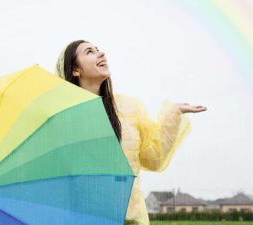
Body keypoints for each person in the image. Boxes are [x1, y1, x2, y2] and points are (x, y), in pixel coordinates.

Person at [55, 40, 206, 225]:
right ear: (75, 70)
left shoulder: (128, 107)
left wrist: (173, 114)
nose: (101, 54)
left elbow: (153, 157)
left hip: (130, 218)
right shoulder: (64, 120)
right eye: (89, 52)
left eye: (98, 50)